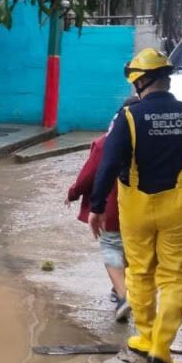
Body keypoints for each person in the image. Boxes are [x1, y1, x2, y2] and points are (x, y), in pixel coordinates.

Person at [89, 48, 182, 363]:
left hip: (135, 207)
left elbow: (108, 163)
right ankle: (162, 345)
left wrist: (96, 206)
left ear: (140, 81)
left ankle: (146, 337)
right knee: (177, 277)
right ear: (166, 77)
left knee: (140, 272)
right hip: (179, 206)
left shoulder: (128, 117)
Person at [67, 97, 138, 323]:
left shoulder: (107, 142)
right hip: (144, 207)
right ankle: (121, 292)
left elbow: (89, 174)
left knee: (111, 247)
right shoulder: (149, 142)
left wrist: (73, 192)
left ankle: (123, 295)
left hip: (112, 207)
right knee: (129, 248)